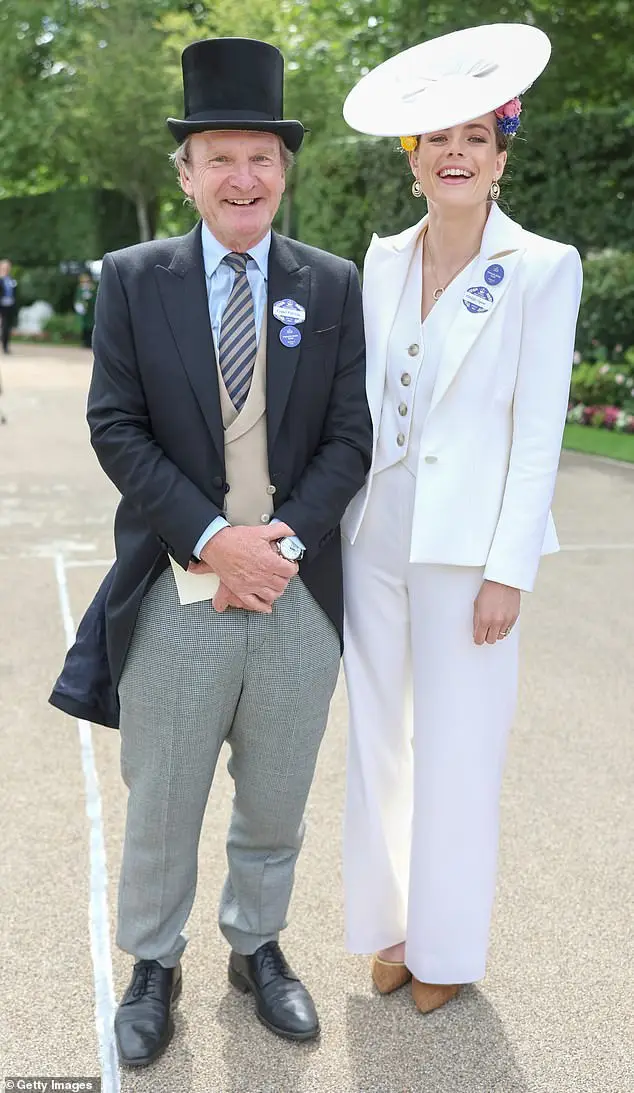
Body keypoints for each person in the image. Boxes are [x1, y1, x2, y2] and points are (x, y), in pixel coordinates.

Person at [80, 37, 371, 1066]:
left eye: (260, 156)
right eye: (219, 157)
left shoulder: (330, 284)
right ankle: (153, 963)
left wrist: (276, 545)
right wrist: (212, 538)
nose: (241, 178)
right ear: (187, 173)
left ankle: (258, 946)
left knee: (278, 792)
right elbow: (116, 425)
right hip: (176, 582)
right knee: (162, 794)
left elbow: (351, 436)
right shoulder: (130, 278)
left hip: (293, 586)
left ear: (283, 169)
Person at [340, 24, 582, 1014]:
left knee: (459, 748)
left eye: (475, 137)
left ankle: (446, 947)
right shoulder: (381, 258)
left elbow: (537, 432)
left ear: (499, 156)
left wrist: (507, 567)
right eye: (436, 137)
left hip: (468, 549)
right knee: (376, 742)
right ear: (412, 161)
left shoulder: (539, 266)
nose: (454, 152)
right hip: (374, 536)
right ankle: (389, 928)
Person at [73, 271, 97, 348]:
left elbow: (95, 299)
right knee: (84, 327)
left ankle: (91, 342)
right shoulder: (80, 288)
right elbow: (77, 298)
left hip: (91, 311)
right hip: (84, 312)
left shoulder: (93, 288)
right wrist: (78, 305)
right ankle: (85, 342)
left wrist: (90, 297)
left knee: (91, 327)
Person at [0, 259, 18, 354]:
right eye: (4, 268)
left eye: (7, 268)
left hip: (9, 306)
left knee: (7, 326)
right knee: (3, 325)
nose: (6, 269)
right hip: (1, 305)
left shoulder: (11, 280)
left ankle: (5, 346)